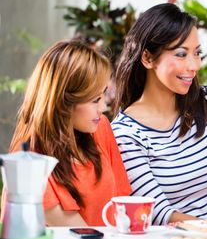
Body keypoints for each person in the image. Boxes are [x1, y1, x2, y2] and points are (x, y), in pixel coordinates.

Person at [111, 3, 207, 225]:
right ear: (148, 58)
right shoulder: (125, 134)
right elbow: (158, 213)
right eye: (181, 54)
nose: (194, 65)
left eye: (197, 53)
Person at [6, 40, 132, 226]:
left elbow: (124, 206)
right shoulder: (29, 159)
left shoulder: (100, 127)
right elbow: (78, 235)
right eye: (95, 99)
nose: (104, 107)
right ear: (63, 104)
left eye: (104, 94)